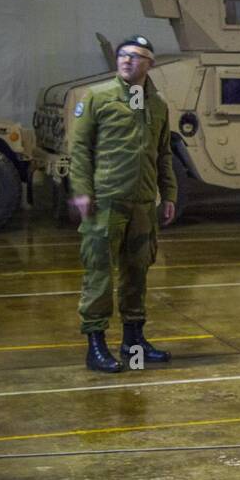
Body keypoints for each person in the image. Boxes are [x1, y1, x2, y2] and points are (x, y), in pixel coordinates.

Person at [69, 35, 177, 373]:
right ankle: (96, 346)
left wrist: (169, 194)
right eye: (122, 55)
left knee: (137, 273)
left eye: (136, 56)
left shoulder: (157, 105)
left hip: (143, 205)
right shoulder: (97, 97)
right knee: (99, 274)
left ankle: (133, 341)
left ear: (150, 64)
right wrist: (82, 192)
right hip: (106, 203)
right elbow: (80, 150)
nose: (127, 60)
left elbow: (164, 154)